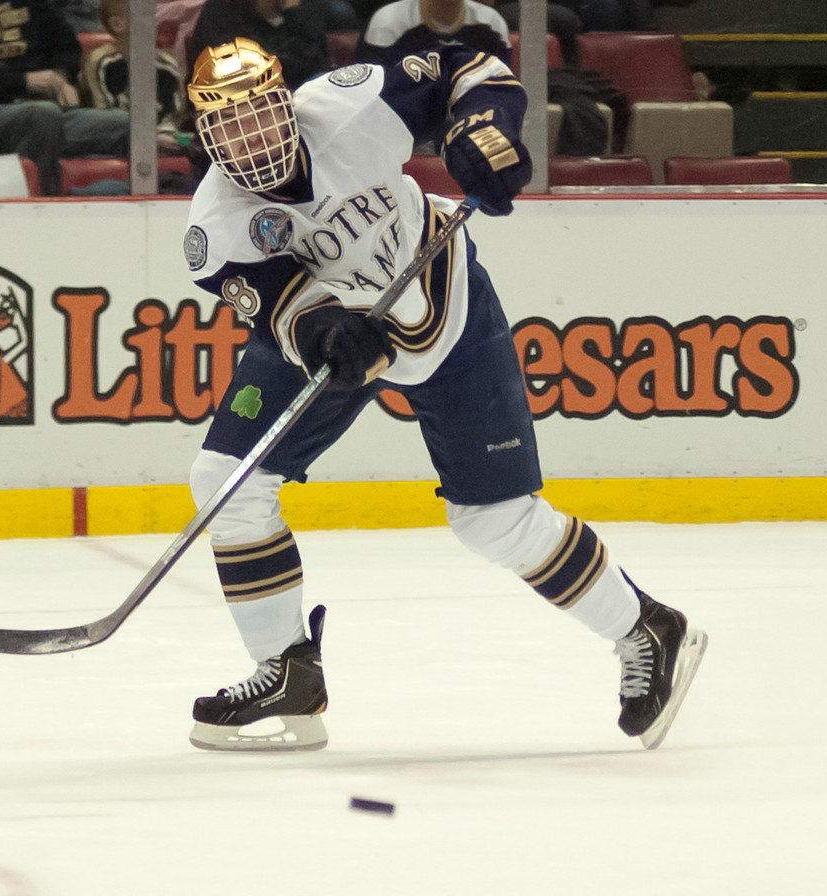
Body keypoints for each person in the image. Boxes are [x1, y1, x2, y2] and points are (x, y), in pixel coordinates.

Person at [180, 37, 708, 752]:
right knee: (226, 480)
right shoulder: (215, 226)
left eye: (262, 113)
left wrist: (479, 128)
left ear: (287, 102)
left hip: (442, 297)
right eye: (228, 124)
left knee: (493, 521)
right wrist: (325, 330)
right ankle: (287, 673)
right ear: (204, 135)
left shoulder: (345, 105)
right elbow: (282, 309)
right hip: (344, 327)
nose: (251, 135)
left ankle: (646, 625)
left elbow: (466, 68)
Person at [0, 0, 129, 196]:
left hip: (48, 113)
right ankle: (41, 203)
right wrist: (21, 81)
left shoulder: (32, 3)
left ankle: (131, 204)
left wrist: (62, 75)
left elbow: (65, 46)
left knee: (123, 123)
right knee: (41, 115)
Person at [80, 0, 191, 154]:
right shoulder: (102, 61)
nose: (155, 20)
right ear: (117, 24)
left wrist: (167, 134)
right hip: (117, 142)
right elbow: (105, 114)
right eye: (146, 16)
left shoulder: (167, 65)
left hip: (164, 139)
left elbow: (174, 115)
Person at [188, 0, 330, 91]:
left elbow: (316, 61)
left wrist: (293, 14)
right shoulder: (222, 8)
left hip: (302, 87)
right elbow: (240, 65)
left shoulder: (304, 7)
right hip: (242, 94)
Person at [357, 0, 511, 71]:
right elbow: (375, 98)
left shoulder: (492, 24)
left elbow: (503, 93)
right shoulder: (387, 23)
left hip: (473, 124)